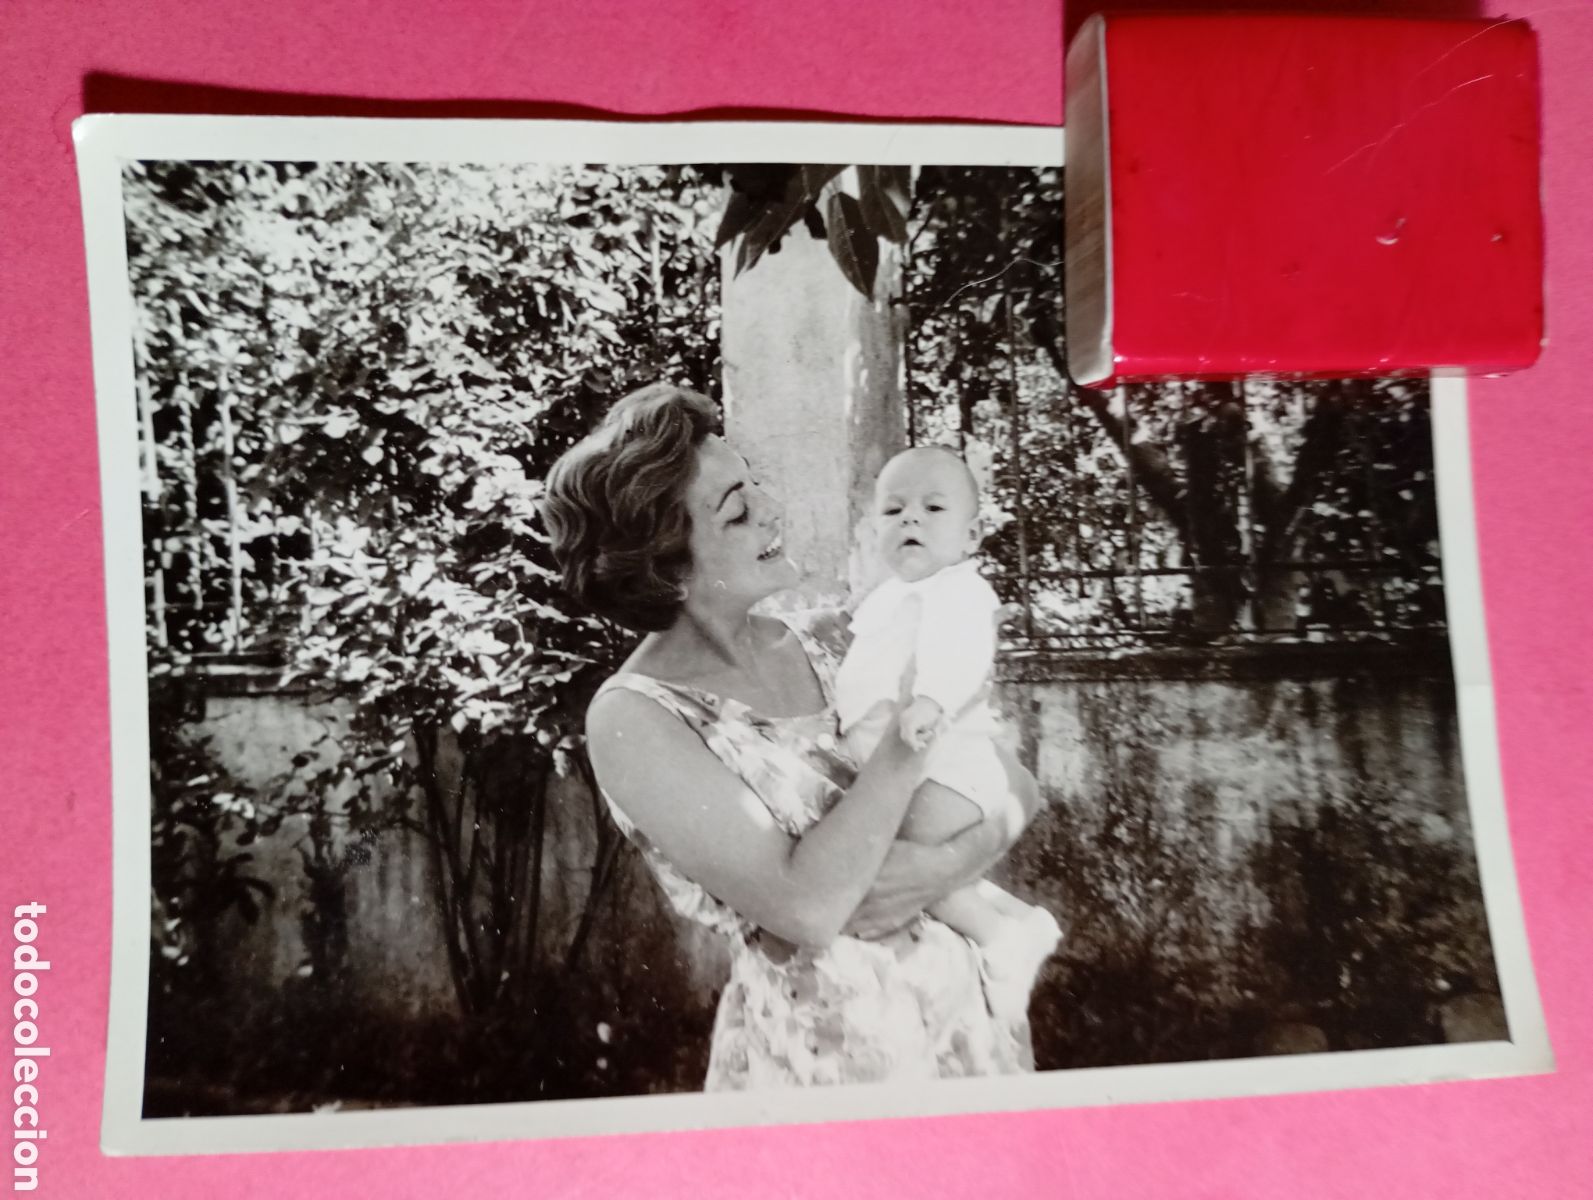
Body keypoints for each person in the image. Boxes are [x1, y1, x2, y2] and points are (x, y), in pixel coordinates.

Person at [542, 382, 1045, 1089]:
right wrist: (908, 735)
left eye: (756, 486)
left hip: (967, 1025)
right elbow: (808, 907)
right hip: (827, 1062)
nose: (772, 510)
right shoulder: (636, 717)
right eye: (739, 510)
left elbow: (1013, 780)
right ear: (667, 561)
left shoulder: (831, 638)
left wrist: (945, 866)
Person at [837, 446, 1062, 1020]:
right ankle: (1015, 923)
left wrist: (931, 701)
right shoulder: (885, 599)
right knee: (917, 868)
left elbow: (961, 653)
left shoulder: (959, 591)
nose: (910, 518)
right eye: (894, 510)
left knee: (899, 863)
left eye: (933, 507)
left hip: (950, 766)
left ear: (971, 535)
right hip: (917, 763)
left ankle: (1000, 939)